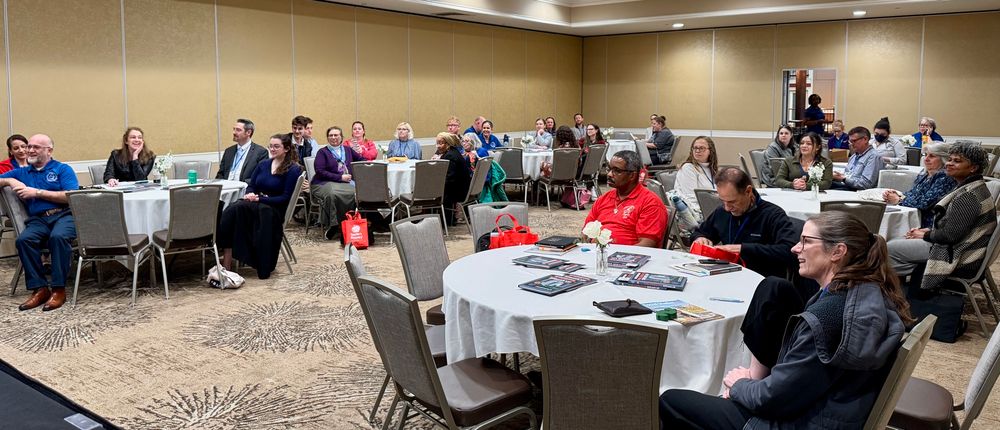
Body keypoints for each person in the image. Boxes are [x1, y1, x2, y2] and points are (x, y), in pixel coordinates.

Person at [661, 211, 911, 429]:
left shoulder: (827, 316)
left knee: (671, 400)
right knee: (775, 287)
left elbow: (772, 400)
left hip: (801, 421)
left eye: (806, 241)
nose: (795, 248)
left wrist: (740, 385)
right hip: (835, 409)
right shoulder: (867, 290)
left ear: (838, 251)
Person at [888, 141, 996, 291]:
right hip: (961, 245)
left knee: (888, 248)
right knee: (899, 243)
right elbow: (956, 226)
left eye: (957, 161)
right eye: (950, 159)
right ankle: (907, 289)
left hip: (959, 254)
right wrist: (928, 231)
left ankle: (899, 294)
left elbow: (950, 236)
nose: (949, 163)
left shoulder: (968, 195)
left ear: (973, 168)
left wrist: (925, 235)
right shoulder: (973, 187)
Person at [0, 134, 77, 311]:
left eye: (36, 147)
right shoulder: (22, 172)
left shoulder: (62, 169)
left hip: (64, 215)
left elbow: (70, 196)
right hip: (39, 219)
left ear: (49, 151)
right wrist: (9, 180)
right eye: (30, 146)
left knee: (58, 237)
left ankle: (58, 290)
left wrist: (37, 192)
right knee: (23, 240)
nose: (30, 150)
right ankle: (40, 289)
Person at [218, 133, 302, 280]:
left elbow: (285, 198)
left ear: (286, 149)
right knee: (233, 208)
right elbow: (252, 186)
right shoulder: (263, 164)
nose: (272, 149)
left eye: (276, 146)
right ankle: (224, 252)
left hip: (275, 208)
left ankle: (263, 265)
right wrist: (250, 194)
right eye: (271, 146)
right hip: (258, 203)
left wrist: (260, 199)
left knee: (262, 212)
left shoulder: (293, 169)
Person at [691, 167, 798, 279]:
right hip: (728, 275)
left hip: (762, 280)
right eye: (722, 201)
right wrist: (700, 238)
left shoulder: (773, 215)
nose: (727, 208)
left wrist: (743, 249)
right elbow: (698, 233)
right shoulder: (722, 212)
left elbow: (789, 251)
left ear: (748, 191)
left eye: (732, 202)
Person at [583, 150, 667, 247]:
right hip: (597, 252)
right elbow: (585, 231)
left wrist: (616, 254)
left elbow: (647, 244)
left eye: (617, 171)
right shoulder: (604, 199)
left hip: (627, 255)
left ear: (632, 175)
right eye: (609, 169)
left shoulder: (650, 203)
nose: (609, 174)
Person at [882, 142, 956, 228]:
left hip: (930, 225)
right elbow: (914, 193)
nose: (926, 159)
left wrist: (899, 200)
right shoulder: (925, 175)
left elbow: (924, 203)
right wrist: (898, 194)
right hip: (916, 218)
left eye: (932, 156)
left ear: (944, 159)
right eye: (925, 155)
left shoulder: (945, 178)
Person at [311, 126, 359, 241]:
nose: (333, 137)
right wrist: (340, 177)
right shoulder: (322, 152)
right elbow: (320, 171)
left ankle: (350, 223)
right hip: (323, 182)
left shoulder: (348, 150)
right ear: (327, 138)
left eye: (336, 135)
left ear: (341, 137)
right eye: (331, 135)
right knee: (332, 194)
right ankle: (333, 225)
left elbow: (361, 160)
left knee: (357, 193)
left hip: (346, 183)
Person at [674, 136, 718, 220]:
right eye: (695, 148)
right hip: (699, 213)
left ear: (710, 151)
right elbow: (690, 198)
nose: (697, 151)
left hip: (712, 209)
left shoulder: (712, 169)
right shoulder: (688, 168)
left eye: (702, 148)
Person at [436, 132, 472, 226]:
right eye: (437, 143)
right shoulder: (454, 152)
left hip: (458, 192)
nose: (438, 146)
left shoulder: (450, 156)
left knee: (432, 188)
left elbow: (449, 179)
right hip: (464, 188)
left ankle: (439, 220)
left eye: (441, 143)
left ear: (448, 144)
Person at [831, 126, 883, 190]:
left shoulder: (874, 157)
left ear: (865, 139)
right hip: (847, 186)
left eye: (854, 141)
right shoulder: (854, 156)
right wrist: (840, 176)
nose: (851, 144)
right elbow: (849, 175)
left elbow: (866, 184)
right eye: (850, 141)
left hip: (859, 191)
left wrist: (843, 178)